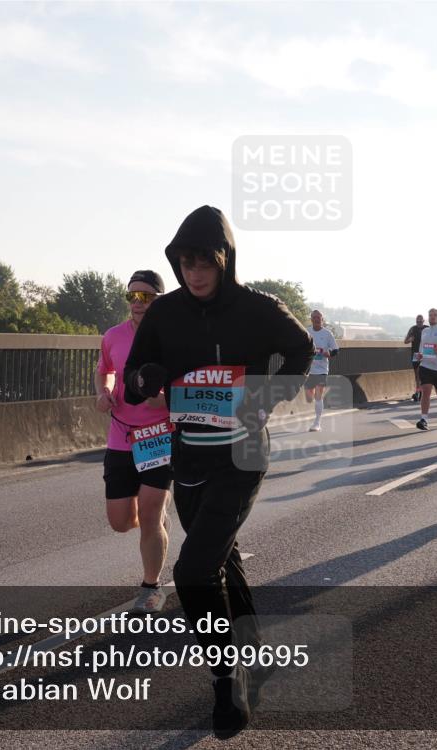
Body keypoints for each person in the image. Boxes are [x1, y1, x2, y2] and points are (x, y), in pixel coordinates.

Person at [123, 206, 314, 738]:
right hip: (188, 458)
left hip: (241, 455)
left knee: (193, 570)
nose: (195, 273)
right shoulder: (164, 314)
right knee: (221, 559)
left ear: (224, 261)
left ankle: (226, 680)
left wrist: (270, 395)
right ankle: (253, 653)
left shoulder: (258, 308)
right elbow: (133, 379)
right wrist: (147, 376)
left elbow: (302, 350)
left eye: (205, 262)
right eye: (186, 263)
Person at [95, 270, 173, 614]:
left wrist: (167, 400)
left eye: (146, 297)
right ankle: (154, 522)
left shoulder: (173, 339)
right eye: (132, 296)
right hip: (121, 436)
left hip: (159, 437)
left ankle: (151, 586)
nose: (137, 303)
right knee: (121, 522)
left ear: (159, 300)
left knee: (152, 514)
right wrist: (104, 392)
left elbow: (193, 384)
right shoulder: (113, 336)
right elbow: (104, 370)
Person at [305, 310, 339, 431]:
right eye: (314, 317)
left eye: (318, 318)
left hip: (322, 369)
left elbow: (336, 350)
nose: (316, 319)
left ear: (322, 319)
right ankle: (313, 398)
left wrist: (328, 353)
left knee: (318, 395)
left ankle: (317, 422)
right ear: (311, 319)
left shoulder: (327, 334)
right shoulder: (307, 332)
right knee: (309, 397)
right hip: (309, 369)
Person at [404, 314, 427, 402]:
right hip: (416, 354)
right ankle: (418, 392)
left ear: (423, 321)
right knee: (417, 374)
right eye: (418, 321)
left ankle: (424, 391)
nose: (419, 323)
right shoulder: (413, 329)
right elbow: (405, 341)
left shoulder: (427, 328)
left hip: (426, 354)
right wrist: (410, 340)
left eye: (421, 321)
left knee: (425, 374)